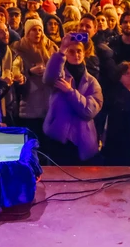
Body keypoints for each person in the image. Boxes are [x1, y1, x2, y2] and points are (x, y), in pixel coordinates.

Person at [42, 33, 103, 164]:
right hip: (58, 138)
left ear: (84, 53)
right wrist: (62, 50)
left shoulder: (92, 82)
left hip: (82, 141)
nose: (76, 55)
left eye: (79, 51)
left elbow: (89, 111)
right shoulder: (60, 77)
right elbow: (48, 77)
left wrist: (70, 92)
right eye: (71, 51)